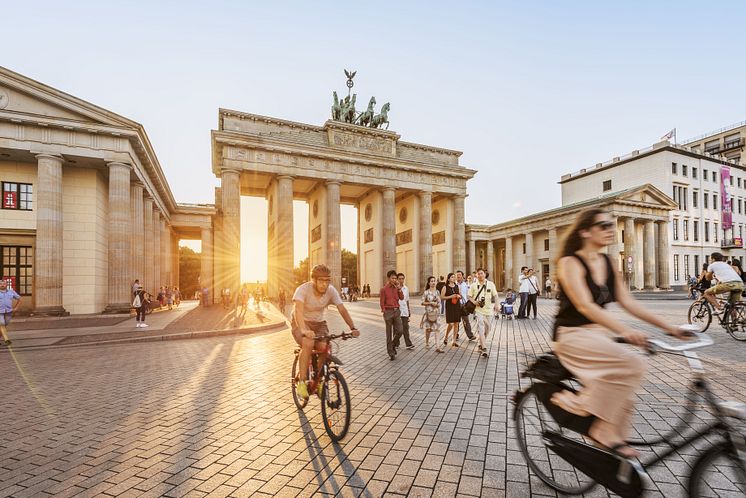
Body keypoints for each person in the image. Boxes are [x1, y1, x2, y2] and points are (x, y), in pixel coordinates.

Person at [551, 208, 687, 458]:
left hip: (597, 335)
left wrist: (671, 328)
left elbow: (630, 303)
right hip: (571, 336)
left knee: (623, 392)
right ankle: (574, 405)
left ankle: (612, 454)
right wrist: (626, 331)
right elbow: (584, 305)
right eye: (603, 225)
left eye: (611, 225)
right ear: (584, 231)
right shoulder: (569, 262)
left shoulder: (609, 262)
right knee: (632, 364)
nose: (610, 230)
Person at [292, 264, 358, 400]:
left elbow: (342, 309)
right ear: (313, 280)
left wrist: (352, 327)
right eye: (321, 281)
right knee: (308, 343)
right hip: (300, 322)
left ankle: (319, 380)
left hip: (319, 323)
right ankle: (302, 383)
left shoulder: (331, 291)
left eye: (327, 281)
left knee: (325, 347)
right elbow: (298, 311)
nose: (324, 284)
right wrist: (304, 329)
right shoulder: (302, 290)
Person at [467, 268, 496, 358]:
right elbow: (469, 296)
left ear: (485, 274)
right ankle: (484, 348)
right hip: (479, 310)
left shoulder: (490, 284)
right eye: (478, 274)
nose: (480, 275)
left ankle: (480, 343)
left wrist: (497, 304)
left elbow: (495, 295)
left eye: (481, 273)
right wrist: (474, 302)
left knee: (488, 328)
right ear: (476, 275)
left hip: (489, 310)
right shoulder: (473, 285)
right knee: (481, 327)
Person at [380, 270, 404, 360]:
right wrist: (384, 311)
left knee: (400, 331)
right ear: (388, 278)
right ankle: (391, 353)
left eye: (395, 278)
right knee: (389, 333)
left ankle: (393, 344)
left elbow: (402, 298)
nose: (394, 280)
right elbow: (382, 302)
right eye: (392, 278)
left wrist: (399, 289)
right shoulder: (383, 289)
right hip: (388, 312)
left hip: (397, 311)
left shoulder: (396, 288)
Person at [421, 276, 443, 352]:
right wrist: (430, 303)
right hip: (429, 314)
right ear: (429, 283)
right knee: (428, 330)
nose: (433, 282)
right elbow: (422, 302)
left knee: (437, 329)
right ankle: (427, 343)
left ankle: (438, 346)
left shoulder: (437, 292)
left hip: (436, 314)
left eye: (434, 281)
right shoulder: (426, 292)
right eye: (432, 281)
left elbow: (439, 302)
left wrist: (437, 304)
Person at [393, 273, 415, 350]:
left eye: (403, 278)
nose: (401, 280)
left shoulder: (406, 288)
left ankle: (408, 344)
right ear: (397, 279)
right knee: (397, 328)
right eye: (400, 278)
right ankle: (395, 343)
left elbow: (407, 300)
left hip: (405, 310)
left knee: (406, 327)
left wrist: (409, 310)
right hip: (397, 310)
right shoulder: (395, 288)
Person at [441, 272, 461, 348]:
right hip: (449, 306)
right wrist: (451, 296)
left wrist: (458, 296)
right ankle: (446, 337)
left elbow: (459, 294)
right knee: (451, 323)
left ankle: (454, 341)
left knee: (456, 323)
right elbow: (442, 297)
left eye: (454, 277)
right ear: (449, 279)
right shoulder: (445, 287)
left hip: (457, 305)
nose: (454, 278)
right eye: (452, 277)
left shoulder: (457, 286)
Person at [456, 271, 476, 341]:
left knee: (466, 321)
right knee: (456, 321)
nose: (458, 276)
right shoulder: (454, 284)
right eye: (457, 275)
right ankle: (456, 335)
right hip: (456, 305)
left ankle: (470, 335)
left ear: (462, 276)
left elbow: (469, 294)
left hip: (464, 305)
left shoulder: (466, 285)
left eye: (459, 275)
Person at [0, 279, 21, 345]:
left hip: (9, 312)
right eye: (1, 283)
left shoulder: (11, 291)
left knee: (4, 325)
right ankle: (7, 339)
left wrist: (16, 308)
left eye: (4, 283)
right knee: (2, 323)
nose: (2, 284)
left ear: (6, 284)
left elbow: (19, 299)